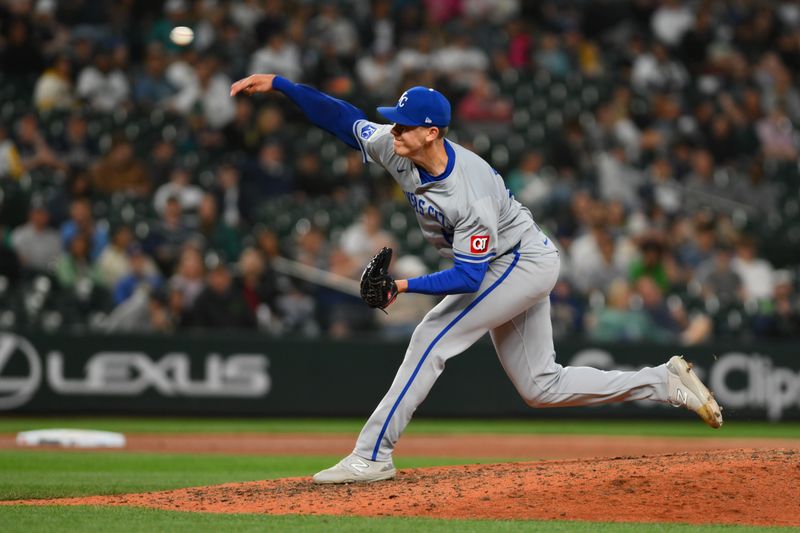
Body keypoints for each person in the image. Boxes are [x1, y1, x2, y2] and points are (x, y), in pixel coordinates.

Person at [230, 74, 723, 484]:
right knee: (540, 386)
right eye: (395, 121)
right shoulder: (394, 145)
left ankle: (373, 454)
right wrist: (280, 84)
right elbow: (339, 117)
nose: (393, 129)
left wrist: (400, 287)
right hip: (511, 260)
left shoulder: (469, 194)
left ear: (433, 132)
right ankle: (661, 382)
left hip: (518, 261)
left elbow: (468, 278)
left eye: (405, 125)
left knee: (430, 337)